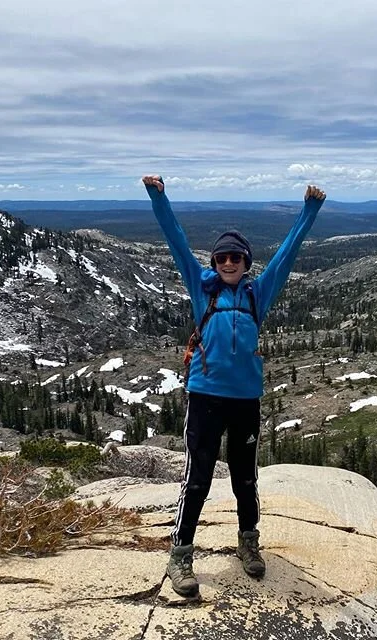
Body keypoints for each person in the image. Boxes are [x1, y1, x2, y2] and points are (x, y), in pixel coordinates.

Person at [142, 175, 326, 597]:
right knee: (198, 478)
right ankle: (181, 554)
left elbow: (286, 254)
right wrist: (158, 196)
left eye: (236, 258)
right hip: (205, 396)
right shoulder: (200, 287)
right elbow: (175, 238)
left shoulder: (258, 295)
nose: (228, 263)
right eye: (222, 257)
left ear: (246, 263)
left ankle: (248, 543)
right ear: (214, 261)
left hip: (245, 401)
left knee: (245, 478)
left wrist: (309, 211)